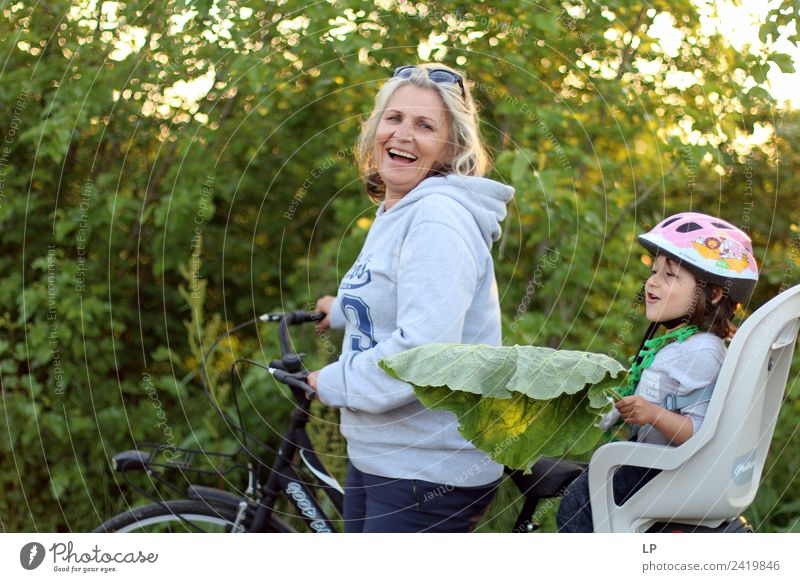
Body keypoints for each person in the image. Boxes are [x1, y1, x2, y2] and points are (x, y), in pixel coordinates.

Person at [306, 64, 514, 533]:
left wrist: (333, 382)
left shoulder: (437, 218)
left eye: (425, 126)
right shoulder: (398, 208)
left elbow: (425, 354)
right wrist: (339, 311)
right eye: (394, 118)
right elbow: (400, 298)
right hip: (389, 455)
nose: (403, 134)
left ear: (451, 146)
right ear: (375, 128)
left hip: (429, 468)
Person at [557, 212, 759, 533]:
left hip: (672, 469)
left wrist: (651, 414)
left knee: (582, 500)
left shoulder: (704, 350)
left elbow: (701, 433)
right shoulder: (673, 344)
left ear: (715, 293)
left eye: (670, 275)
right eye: (653, 272)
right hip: (653, 462)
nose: (652, 281)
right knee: (587, 483)